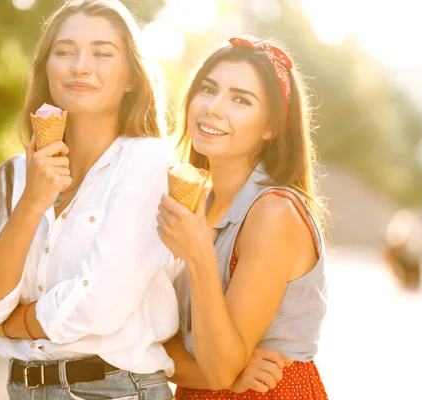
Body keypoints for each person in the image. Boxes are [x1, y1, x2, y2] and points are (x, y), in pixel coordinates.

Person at [0, 1, 179, 398]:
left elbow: (101, 304)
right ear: (47, 68)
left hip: (116, 390)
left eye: (102, 53)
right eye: (64, 51)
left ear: (131, 77)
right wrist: (31, 203)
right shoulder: (13, 175)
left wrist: (11, 326)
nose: (80, 65)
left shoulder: (148, 162)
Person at [157, 37, 329, 399]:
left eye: (240, 99)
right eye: (208, 89)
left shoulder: (273, 212)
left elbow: (217, 366)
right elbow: (155, 342)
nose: (213, 108)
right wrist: (220, 373)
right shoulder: (194, 202)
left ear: (271, 128)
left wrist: (199, 255)